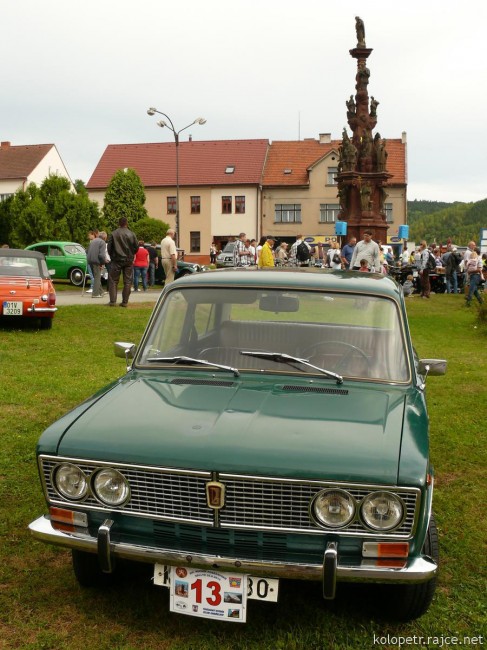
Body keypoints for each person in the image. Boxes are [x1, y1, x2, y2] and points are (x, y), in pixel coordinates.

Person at [107, 217, 139, 307]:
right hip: (128, 260)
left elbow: (109, 248)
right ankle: (125, 302)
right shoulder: (132, 234)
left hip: (116, 260)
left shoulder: (113, 234)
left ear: (119, 223)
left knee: (113, 280)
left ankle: (113, 301)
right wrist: (131, 254)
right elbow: (136, 247)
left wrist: (112, 256)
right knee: (128, 281)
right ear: (126, 223)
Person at [86, 231, 107, 298]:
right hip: (96, 261)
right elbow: (101, 255)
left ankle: (101, 292)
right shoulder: (102, 242)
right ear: (105, 237)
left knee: (96, 277)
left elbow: (86, 251)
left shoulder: (93, 241)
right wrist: (103, 263)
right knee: (97, 277)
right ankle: (95, 294)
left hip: (89, 261)